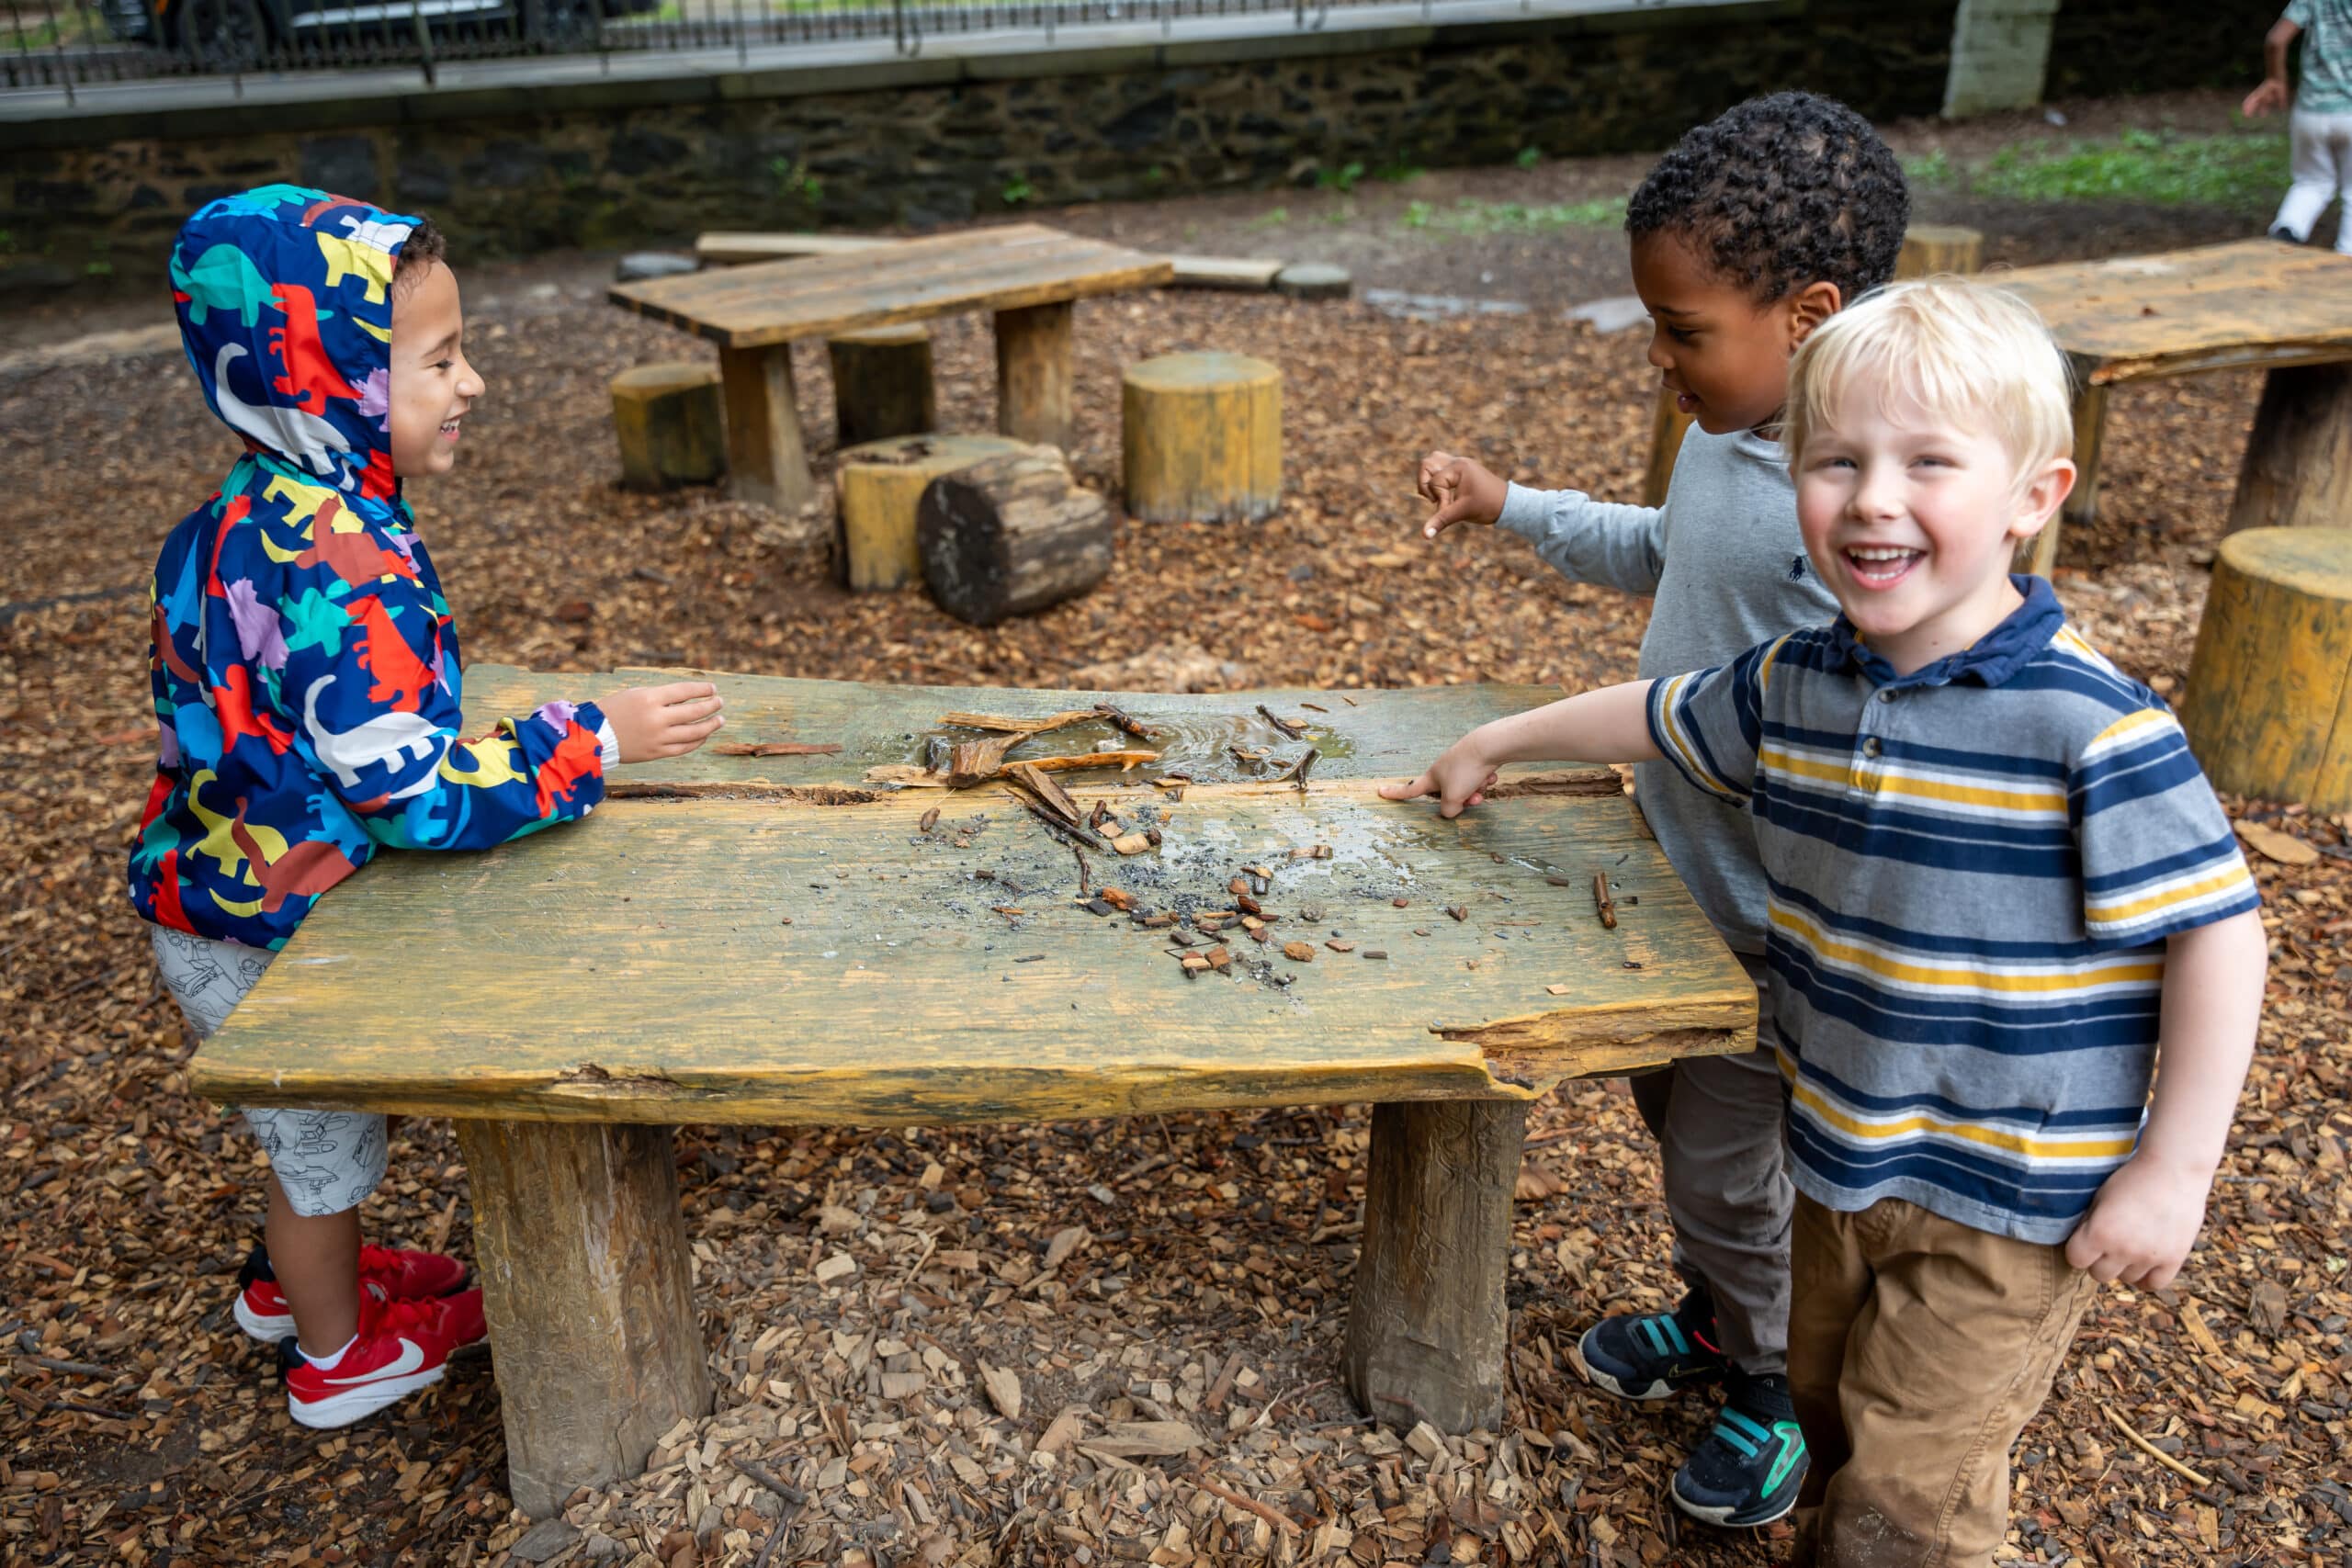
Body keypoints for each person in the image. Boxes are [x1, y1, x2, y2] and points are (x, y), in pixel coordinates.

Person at [1385, 278, 2267, 1567]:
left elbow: (2220, 931)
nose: (1871, 496)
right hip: (1840, 1156)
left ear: (2034, 494)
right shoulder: (1800, 680)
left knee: (1914, 1500)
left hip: (2008, 1198)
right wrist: (1498, 740)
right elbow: (1656, 710)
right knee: (1832, 1422)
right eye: (1836, 460)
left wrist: (2174, 1169)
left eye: (1928, 463)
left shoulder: (2090, 725)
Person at [132, 186, 728, 1428]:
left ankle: (291, 1289)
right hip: (264, 933)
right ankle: (337, 1351)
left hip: (218, 888)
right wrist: (590, 740)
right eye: (439, 359)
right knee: (322, 1158)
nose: (475, 384)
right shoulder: (353, 567)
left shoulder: (236, 518)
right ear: (326, 374)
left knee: (314, 1145)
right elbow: (409, 797)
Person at [1411, 91, 1909, 1528]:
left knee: (1723, 1170)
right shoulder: (1726, 439)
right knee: (1673, 1129)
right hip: (1673, 888)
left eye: (1685, 330)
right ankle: (1717, 1313)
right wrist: (1513, 503)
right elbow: (1663, 550)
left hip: (1769, 933)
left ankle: (1773, 1385)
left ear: (1808, 317)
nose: (1661, 354)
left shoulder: (1858, 523)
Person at [2246, 1, 2352, 251]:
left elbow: (2276, 40)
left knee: (2311, 184)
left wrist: (2275, 79)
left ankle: (2282, 242)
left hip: (2310, 112)